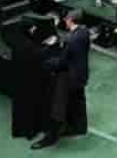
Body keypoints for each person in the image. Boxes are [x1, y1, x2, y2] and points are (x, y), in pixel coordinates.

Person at [33, 10, 90, 150]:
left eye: (66, 19)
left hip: (69, 77)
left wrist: (47, 62)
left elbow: (62, 62)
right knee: (78, 101)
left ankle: (51, 137)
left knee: (57, 107)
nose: (65, 21)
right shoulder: (84, 32)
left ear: (70, 20)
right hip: (81, 75)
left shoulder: (71, 41)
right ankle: (79, 128)